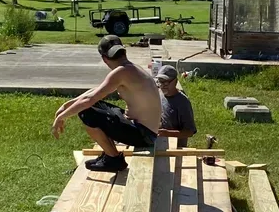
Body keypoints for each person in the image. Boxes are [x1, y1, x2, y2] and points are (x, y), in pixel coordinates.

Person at [52, 35, 162, 171]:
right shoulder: (131, 68)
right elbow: (94, 93)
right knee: (95, 105)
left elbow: (88, 100)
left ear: (104, 59)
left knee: (86, 112)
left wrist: (61, 117)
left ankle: (114, 159)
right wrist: (65, 106)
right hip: (145, 130)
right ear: (124, 52)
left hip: (144, 136)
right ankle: (110, 155)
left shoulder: (121, 72)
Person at [154, 65, 197, 148]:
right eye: (160, 81)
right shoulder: (160, 93)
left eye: (166, 82)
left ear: (176, 81)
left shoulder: (183, 102)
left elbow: (190, 132)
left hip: (176, 147)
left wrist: (168, 133)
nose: (163, 85)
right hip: (159, 142)